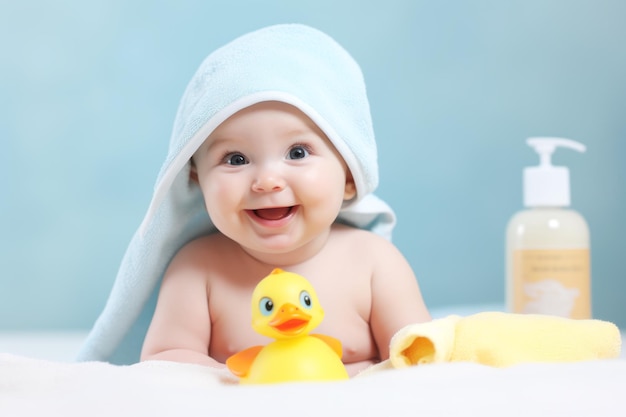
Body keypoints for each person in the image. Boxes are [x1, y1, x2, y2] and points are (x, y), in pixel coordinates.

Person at [77, 24, 430, 376]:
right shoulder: (198, 269)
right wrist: (251, 377)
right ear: (197, 180)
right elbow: (164, 365)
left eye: (297, 151)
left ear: (350, 177)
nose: (267, 181)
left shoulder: (373, 263)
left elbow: (421, 361)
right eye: (236, 159)